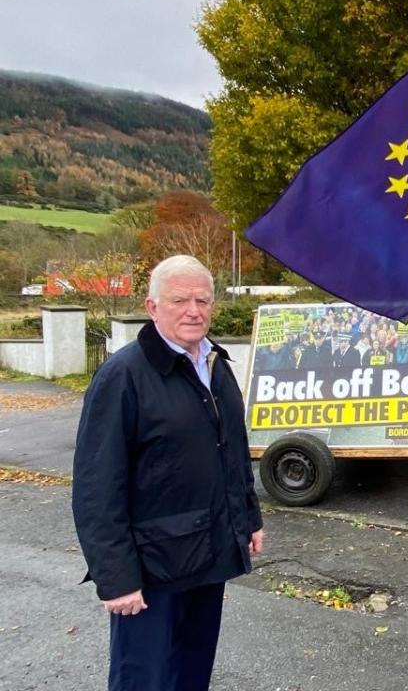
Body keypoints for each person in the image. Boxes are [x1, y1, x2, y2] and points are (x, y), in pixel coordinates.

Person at [72, 255, 264, 691]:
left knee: (192, 672)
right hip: (151, 567)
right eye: (180, 300)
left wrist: (248, 517)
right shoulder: (124, 376)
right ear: (153, 306)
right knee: (144, 678)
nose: (194, 310)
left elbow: (230, 450)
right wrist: (115, 579)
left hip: (208, 552)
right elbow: (95, 487)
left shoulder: (215, 363)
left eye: (203, 300)